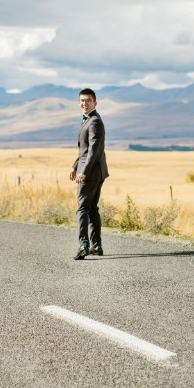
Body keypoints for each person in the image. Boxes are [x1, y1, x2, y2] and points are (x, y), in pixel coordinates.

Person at [70, 88, 109, 260]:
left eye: (88, 100)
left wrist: (83, 172)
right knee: (92, 208)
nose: (84, 103)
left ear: (95, 102)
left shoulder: (94, 122)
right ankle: (97, 246)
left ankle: (83, 245)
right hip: (95, 171)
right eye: (81, 100)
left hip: (91, 173)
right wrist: (75, 166)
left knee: (82, 208)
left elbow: (93, 151)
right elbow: (84, 151)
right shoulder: (88, 120)